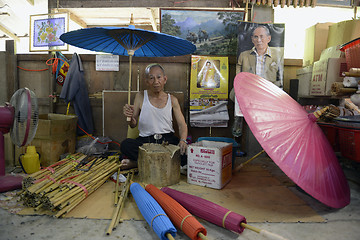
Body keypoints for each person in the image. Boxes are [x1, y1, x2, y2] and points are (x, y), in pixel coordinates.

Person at [120, 63, 188, 169]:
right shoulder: (140, 96)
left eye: (159, 77)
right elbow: (133, 124)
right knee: (126, 145)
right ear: (147, 81)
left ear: (165, 79)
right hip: (146, 142)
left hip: (167, 141)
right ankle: (163, 164)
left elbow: (182, 125)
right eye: (151, 78)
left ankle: (139, 164)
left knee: (186, 154)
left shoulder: (172, 99)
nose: (156, 81)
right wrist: (129, 117)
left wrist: (183, 140)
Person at [230, 25, 283, 101]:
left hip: (269, 92)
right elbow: (238, 79)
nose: (258, 40)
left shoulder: (278, 55)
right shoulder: (243, 55)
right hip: (248, 91)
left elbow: (280, 81)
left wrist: (267, 88)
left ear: (269, 38)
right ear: (252, 39)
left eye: (262, 36)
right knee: (234, 94)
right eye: (256, 37)